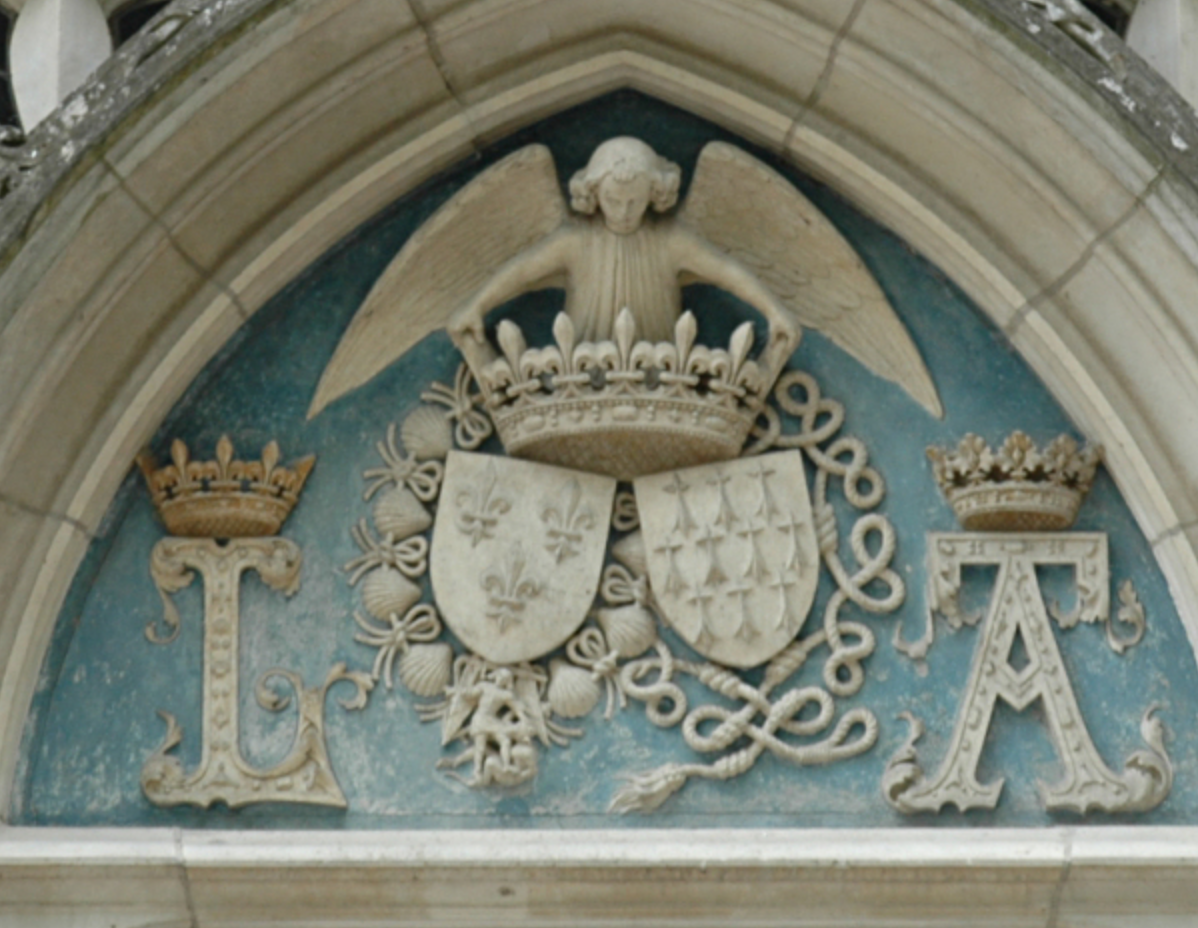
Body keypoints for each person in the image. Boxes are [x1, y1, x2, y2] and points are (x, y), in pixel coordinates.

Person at [448, 137, 799, 348]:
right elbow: (522, 271)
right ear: (594, 194)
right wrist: (476, 306)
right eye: (613, 201)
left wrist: (773, 310)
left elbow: (725, 270)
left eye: (635, 201)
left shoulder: (671, 241)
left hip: (660, 373)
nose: (624, 211)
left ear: (655, 194)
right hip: (581, 373)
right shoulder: (574, 242)